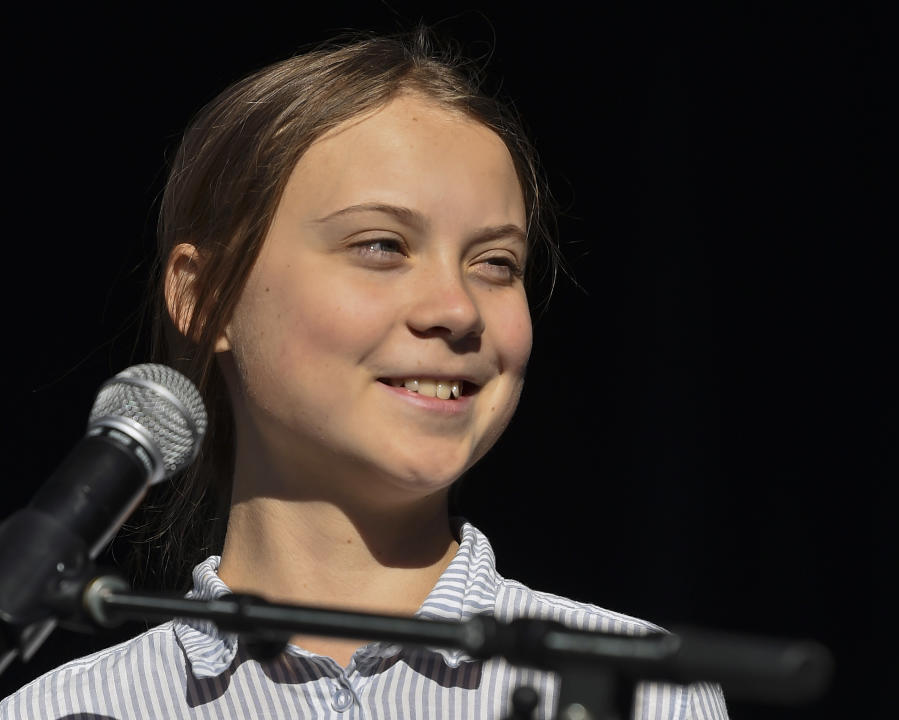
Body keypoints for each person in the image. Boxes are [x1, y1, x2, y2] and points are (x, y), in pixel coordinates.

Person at [1, 27, 728, 719]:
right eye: (382, 245)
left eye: (496, 263)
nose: (456, 308)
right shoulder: (68, 708)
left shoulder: (640, 689)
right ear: (204, 295)